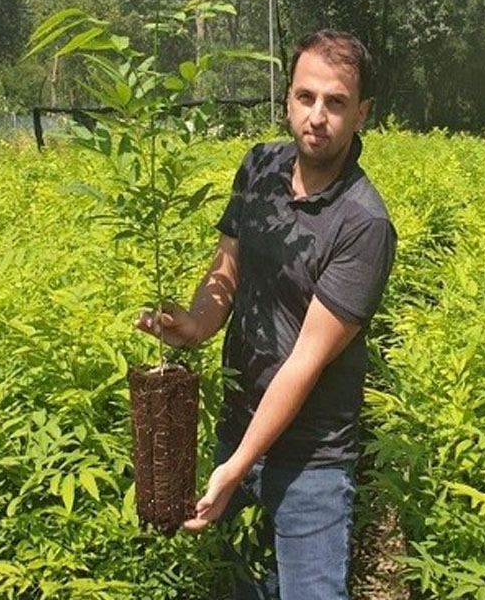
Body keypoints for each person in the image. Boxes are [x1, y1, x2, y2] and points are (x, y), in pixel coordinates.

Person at [136, 29, 397, 599]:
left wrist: (236, 468)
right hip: (237, 432)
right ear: (286, 101)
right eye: (306, 97)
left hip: (312, 465)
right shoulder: (258, 168)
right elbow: (227, 270)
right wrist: (196, 324)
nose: (318, 116)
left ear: (363, 115)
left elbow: (305, 361)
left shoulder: (363, 225)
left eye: (336, 102)